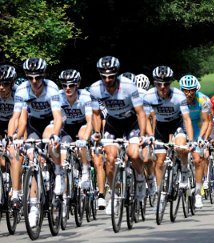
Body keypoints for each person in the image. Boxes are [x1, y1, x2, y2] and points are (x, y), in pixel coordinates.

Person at [9, 58, 63, 227]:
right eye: (30, 77)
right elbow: (16, 118)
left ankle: (58, 170)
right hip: (34, 122)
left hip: (51, 121)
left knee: (50, 141)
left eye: (38, 77)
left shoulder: (52, 88)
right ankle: (33, 207)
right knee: (31, 157)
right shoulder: (22, 90)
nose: (34, 81)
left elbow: (58, 117)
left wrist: (54, 136)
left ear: (43, 76)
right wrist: (12, 138)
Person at [89, 56, 147, 214]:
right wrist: (96, 133)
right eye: (104, 76)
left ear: (116, 74)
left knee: (134, 154)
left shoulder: (128, 86)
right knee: (110, 157)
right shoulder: (95, 89)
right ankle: (114, 195)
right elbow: (95, 114)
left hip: (131, 122)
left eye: (111, 76)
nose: (107, 80)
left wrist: (142, 134)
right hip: (113, 123)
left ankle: (140, 178)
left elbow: (141, 113)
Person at [143, 66, 194, 202]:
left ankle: (184, 170)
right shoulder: (149, 96)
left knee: (180, 147)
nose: (162, 87)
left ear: (170, 83)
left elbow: (187, 119)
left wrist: (191, 139)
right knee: (159, 161)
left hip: (177, 125)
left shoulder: (179, 96)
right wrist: (150, 136)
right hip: (160, 127)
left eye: (166, 84)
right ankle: (161, 191)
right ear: (155, 83)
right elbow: (146, 118)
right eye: (159, 84)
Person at [179, 74, 211, 208]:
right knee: (180, 149)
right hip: (182, 126)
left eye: (192, 90)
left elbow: (206, 121)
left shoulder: (203, 100)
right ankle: (184, 170)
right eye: (186, 90)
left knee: (198, 160)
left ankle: (198, 193)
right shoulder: (177, 99)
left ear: (195, 90)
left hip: (197, 127)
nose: (189, 93)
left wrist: (201, 138)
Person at [58, 69, 92, 189]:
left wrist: (85, 139)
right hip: (67, 126)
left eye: (71, 85)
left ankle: (85, 171)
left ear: (77, 85)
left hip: (82, 125)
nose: (67, 88)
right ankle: (62, 175)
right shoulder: (59, 96)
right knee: (62, 146)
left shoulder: (85, 96)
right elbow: (58, 120)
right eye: (64, 85)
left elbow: (90, 121)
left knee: (82, 138)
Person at [0, 64, 23, 210]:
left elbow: (19, 118)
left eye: (5, 84)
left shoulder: (18, 94)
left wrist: (12, 138)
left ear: (12, 83)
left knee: (13, 151)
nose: (1, 87)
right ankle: (6, 173)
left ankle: (16, 190)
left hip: (14, 122)